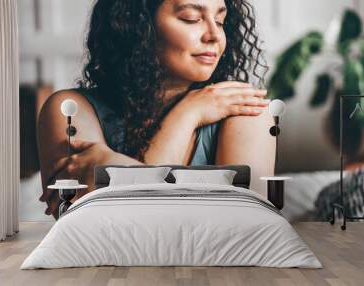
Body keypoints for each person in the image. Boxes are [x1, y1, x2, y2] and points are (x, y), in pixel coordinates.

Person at [37, 0, 276, 219]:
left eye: (220, 21)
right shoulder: (70, 109)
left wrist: (116, 175)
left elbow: (241, 226)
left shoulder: (245, 110)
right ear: (137, 25)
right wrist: (187, 116)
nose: (214, 36)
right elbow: (85, 228)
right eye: (191, 18)